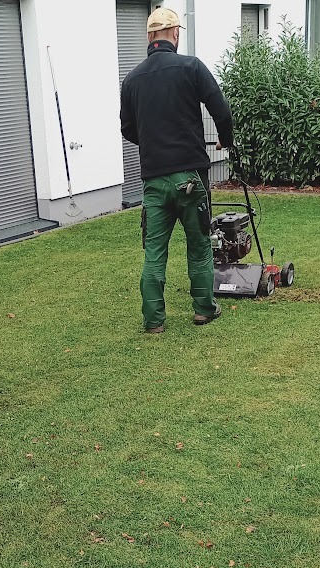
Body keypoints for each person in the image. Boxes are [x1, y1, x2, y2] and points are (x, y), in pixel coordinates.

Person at [120, 7, 234, 334]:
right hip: (190, 178)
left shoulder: (132, 80)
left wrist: (154, 141)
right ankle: (204, 309)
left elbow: (128, 129)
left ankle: (154, 320)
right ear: (175, 34)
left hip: (154, 181)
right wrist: (224, 140)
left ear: (148, 37)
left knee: (154, 251)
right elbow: (221, 110)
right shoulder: (191, 67)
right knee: (199, 246)